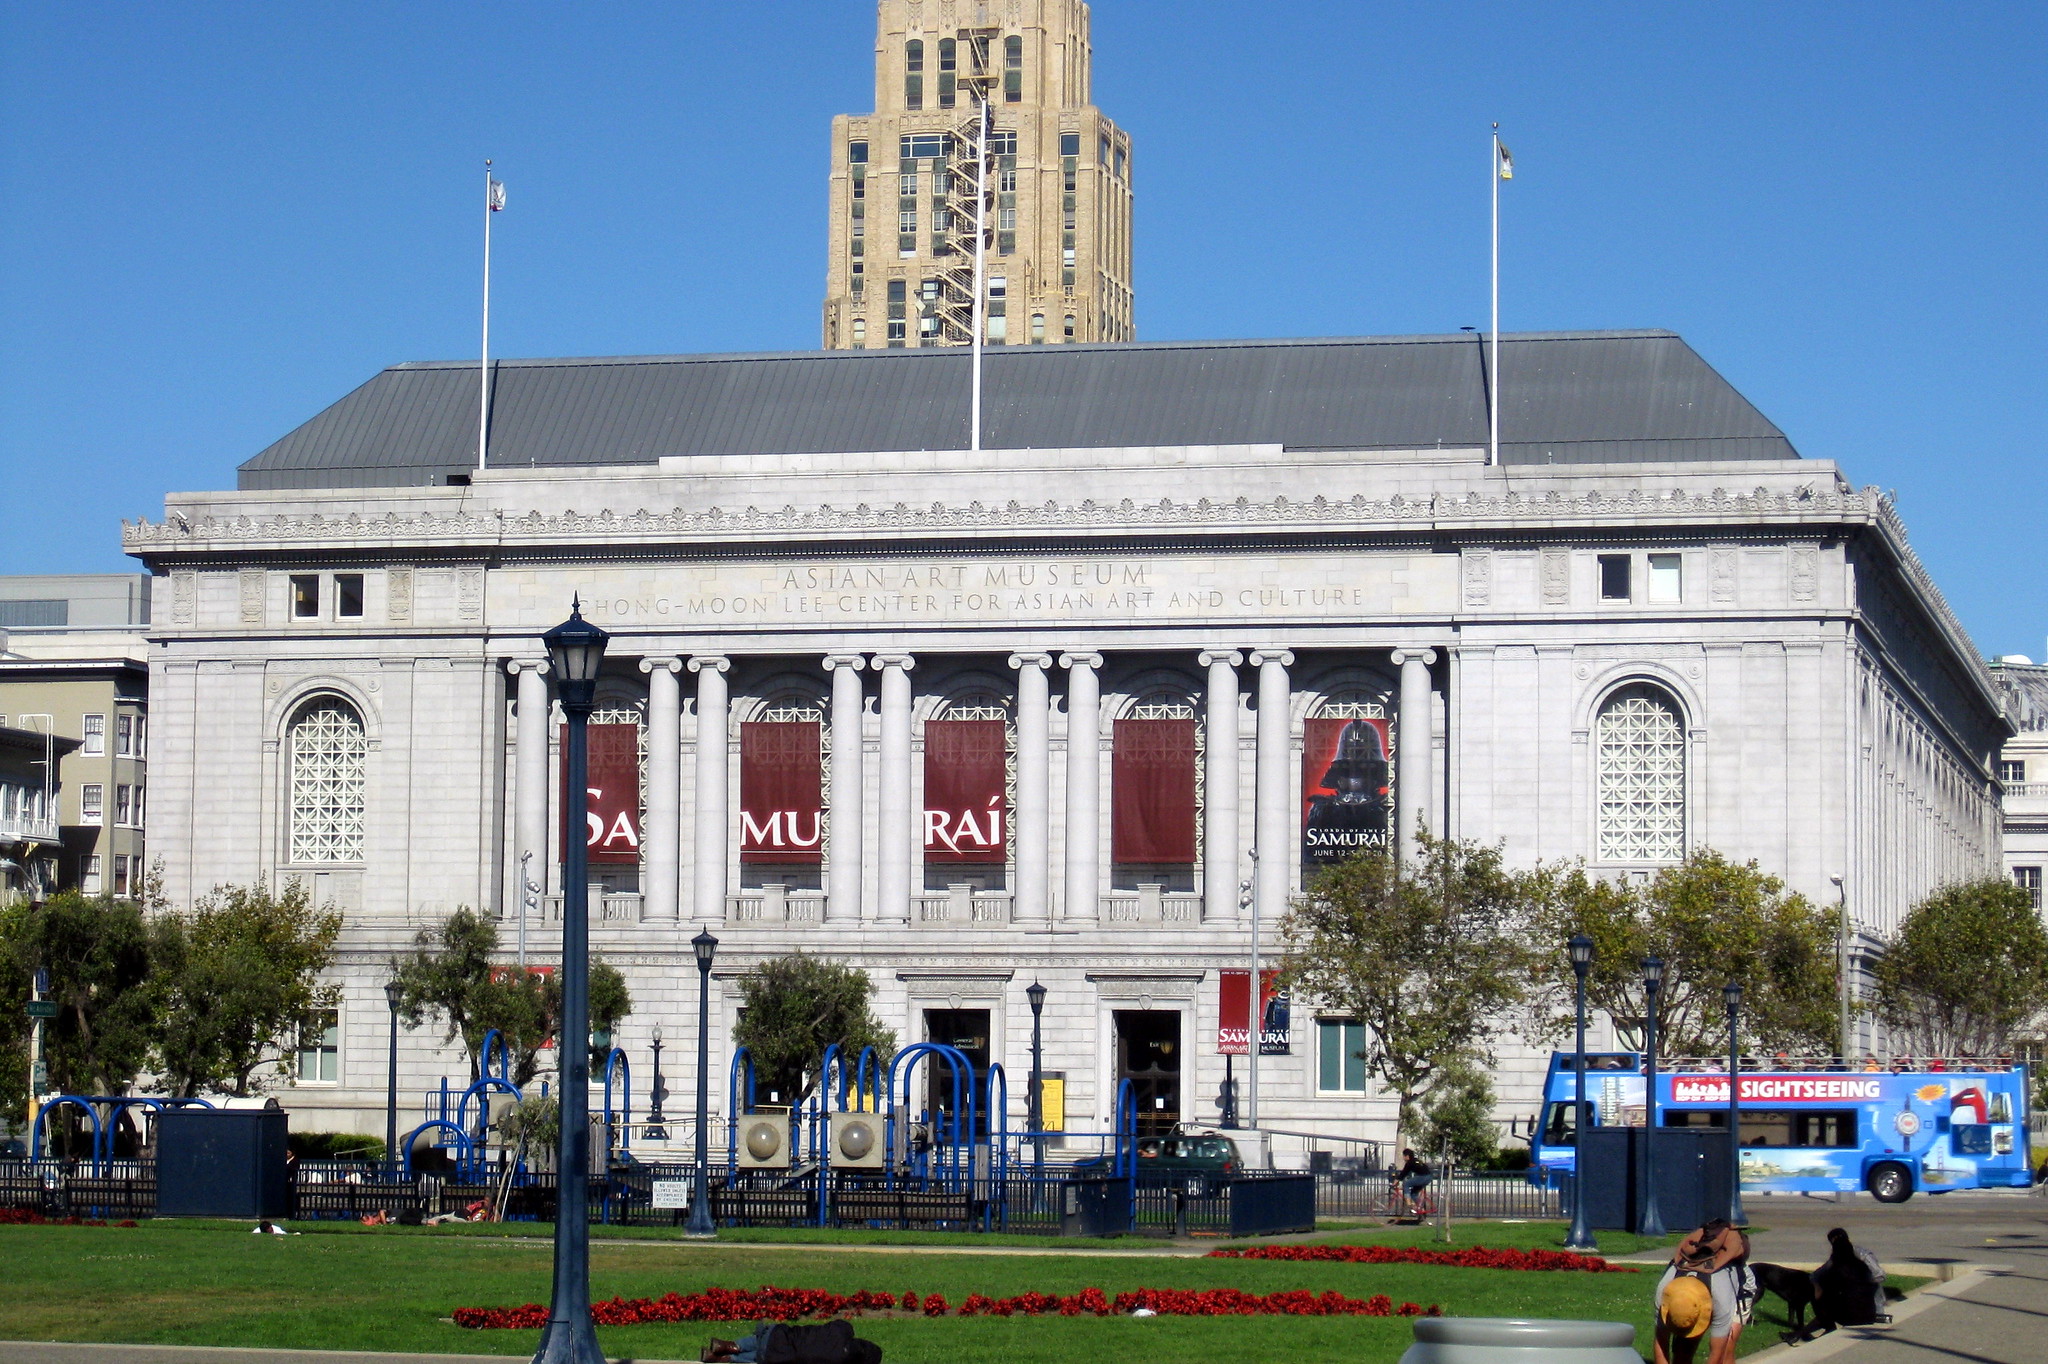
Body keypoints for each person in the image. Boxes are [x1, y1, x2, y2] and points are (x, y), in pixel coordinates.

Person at [1654, 1218, 1754, 1364]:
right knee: (1682, 1351)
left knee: (1726, 1352)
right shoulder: (1664, 1293)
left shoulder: (1720, 1298)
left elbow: (1716, 1354)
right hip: (1701, 1288)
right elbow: (1661, 1343)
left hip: (1739, 1288)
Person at [1801, 1227, 1888, 1340]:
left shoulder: (1862, 1255)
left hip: (1872, 1305)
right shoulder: (1837, 1257)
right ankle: (1811, 1330)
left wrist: (1859, 1284)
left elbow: (1879, 1275)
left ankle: (1806, 1331)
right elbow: (1817, 1275)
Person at [1394, 1148, 1433, 1216]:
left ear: (1407, 1156)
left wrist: (1395, 1181)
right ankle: (1421, 1210)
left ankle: (1408, 1203)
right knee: (1414, 1194)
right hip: (1428, 1177)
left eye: (1404, 1156)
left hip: (1423, 1176)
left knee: (1406, 1183)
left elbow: (1403, 1173)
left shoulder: (1409, 1163)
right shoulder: (1416, 1160)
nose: (1403, 1158)